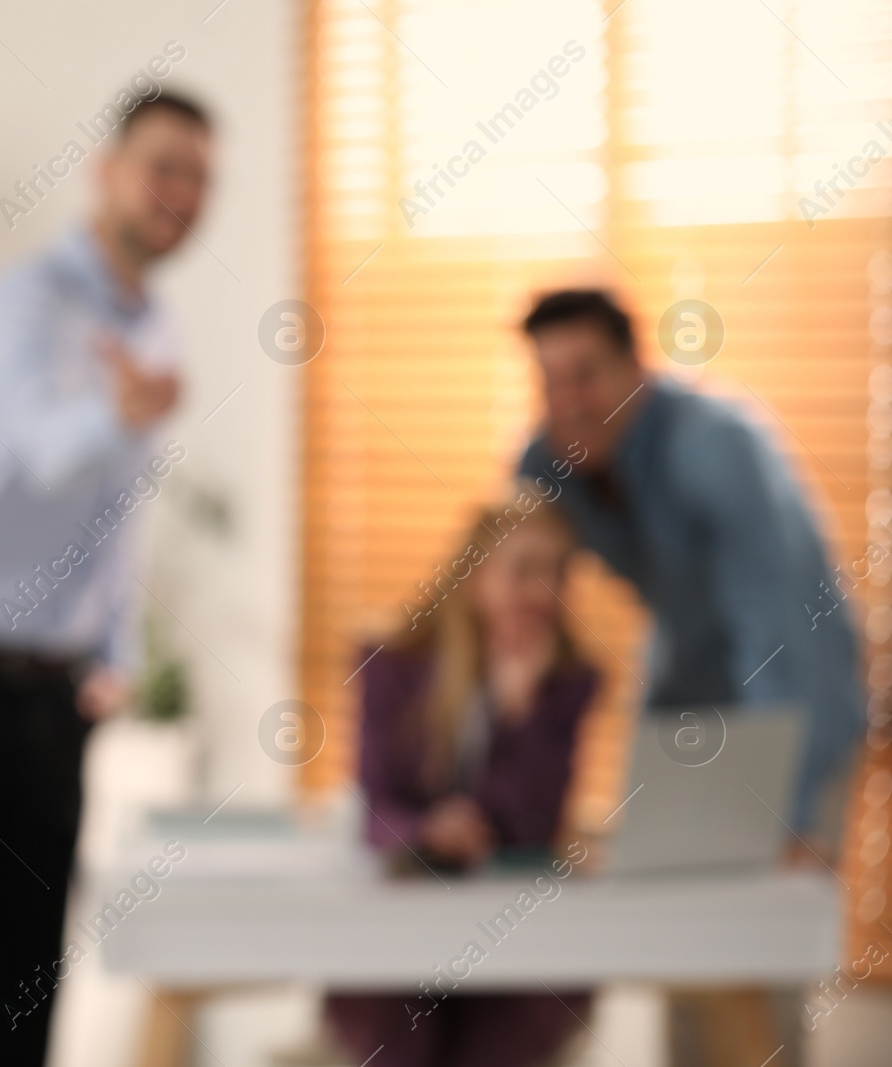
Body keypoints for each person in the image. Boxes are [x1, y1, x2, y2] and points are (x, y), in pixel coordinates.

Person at [0, 91, 212, 1066]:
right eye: (163, 165)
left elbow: (114, 513)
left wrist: (117, 650)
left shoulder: (158, 328)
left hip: (52, 695)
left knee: (28, 1003)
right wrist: (126, 415)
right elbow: (45, 453)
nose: (180, 192)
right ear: (107, 172)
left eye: (199, 176)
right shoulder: (23, 303)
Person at [515, 288, 864, 1067]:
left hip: (796, 702)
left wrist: (792, 815)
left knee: (754, 958)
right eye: (550, 382)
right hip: (688, 703)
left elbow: (777, 636)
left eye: (587, 375)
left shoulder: (714, 446)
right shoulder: (550, 459)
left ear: (637, 369)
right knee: (682, 951)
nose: (569, 402)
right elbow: (511, 574)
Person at [327, 491, 598, 1067]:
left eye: (556, 574)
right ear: (474, 576)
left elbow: (533, 832)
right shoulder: (391, 666)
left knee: (504, 1037)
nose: (541, 593)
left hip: (514, 939)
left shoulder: (568, 684)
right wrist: (427, 830)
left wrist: (518, 719)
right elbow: (374, 812)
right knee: (399, 1033)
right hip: (402, 930)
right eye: (524, 571)